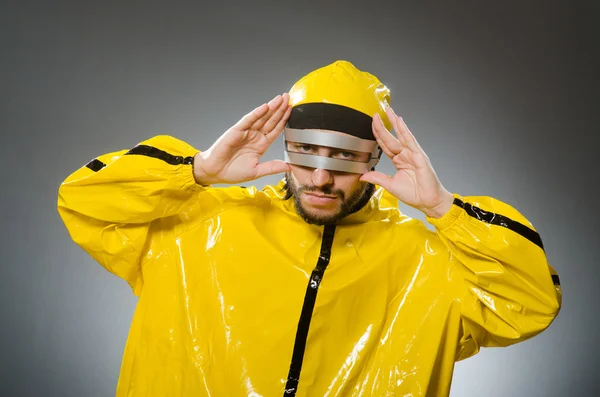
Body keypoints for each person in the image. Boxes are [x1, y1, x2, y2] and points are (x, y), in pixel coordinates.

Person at [57, 60, 562, 397]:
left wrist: (442, 207)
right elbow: (83, 199)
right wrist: (197, 172)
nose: (321, 179)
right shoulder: (200, 225)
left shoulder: (424, 263)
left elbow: (532, 300)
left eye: (343, 160)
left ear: (377, 158)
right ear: (285, 148)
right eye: (306, 155)